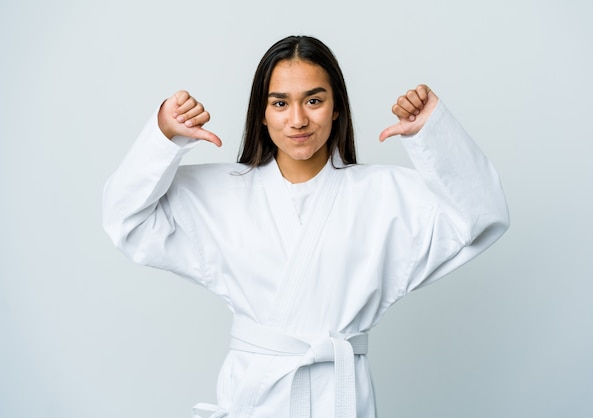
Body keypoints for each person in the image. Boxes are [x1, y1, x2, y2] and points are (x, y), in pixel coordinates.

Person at [103, 35, 509, 418]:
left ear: (336, 107)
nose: (297, 119)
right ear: (261, 114)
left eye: (314, 100)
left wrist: (433, 133)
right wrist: (163, 135)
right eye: (279, 103)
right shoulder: (221, 192)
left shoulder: (385, 195)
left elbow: (481, 216)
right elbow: (126, 219)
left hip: (340, 395)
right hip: (256, 399)